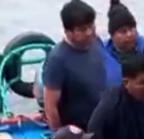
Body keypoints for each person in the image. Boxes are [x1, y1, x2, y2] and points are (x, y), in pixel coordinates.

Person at [42, 0, 106, 130]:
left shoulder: (97, 42)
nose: (89, 32)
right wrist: (61, 138)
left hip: (102, 123)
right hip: (77, 131)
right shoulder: (57, 60)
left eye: (91, 26)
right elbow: (50, 106)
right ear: (68, 32)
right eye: (82, 29)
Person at [103, 0, 144, 87]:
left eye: (132, 29)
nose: (129, 34)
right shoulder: (100, 54)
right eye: (123, 31)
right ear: (112, 35)